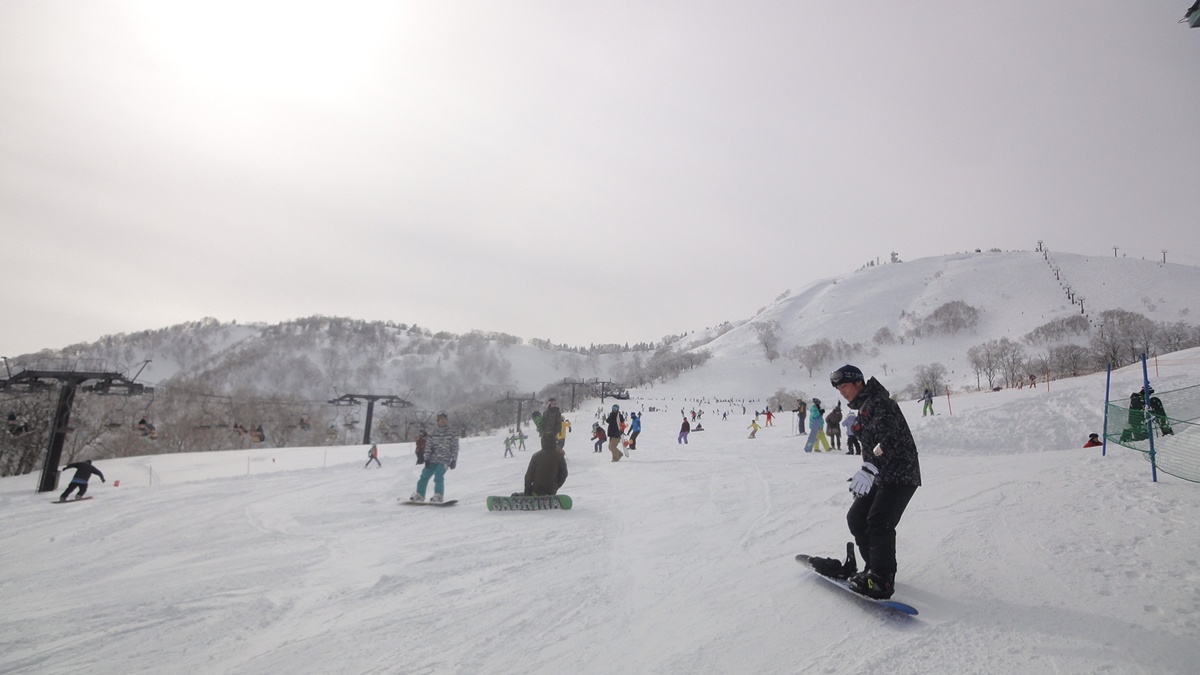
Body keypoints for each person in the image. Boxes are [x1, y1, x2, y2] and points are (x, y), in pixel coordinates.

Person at [829, 364, 921, 600]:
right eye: (838, 388)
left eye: (844, 385)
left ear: (858, 382)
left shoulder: (880, 403)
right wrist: (859, 435)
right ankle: (872, 569)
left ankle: (882, 579)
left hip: (901, 473)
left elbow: (888, 440)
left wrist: (870, 468)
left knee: (879, 521)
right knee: (857, 518)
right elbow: (873, 446)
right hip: (882, 474)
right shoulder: (865, 408)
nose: (842, 391)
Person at [409, 412, 458, 503]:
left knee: (438, 476)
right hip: (432, 459)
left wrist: (454, 460)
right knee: (424, 476)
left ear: (447, 420)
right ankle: (420, 494)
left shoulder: (452, 433)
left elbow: (455, 447)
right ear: (438, 421)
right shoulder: (433, 433)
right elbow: (428, 446)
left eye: (444, 419)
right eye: (440, 419)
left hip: (444, 459)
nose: (443, 421)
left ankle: (438, 495)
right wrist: (426, 458)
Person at [523, 427, 568, 496]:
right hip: (551, 490)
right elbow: (564, 473)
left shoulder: (536, 456)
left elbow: (529, 475)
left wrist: (527, 492)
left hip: (536, 489)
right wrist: (556, 485)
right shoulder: (559, 456)